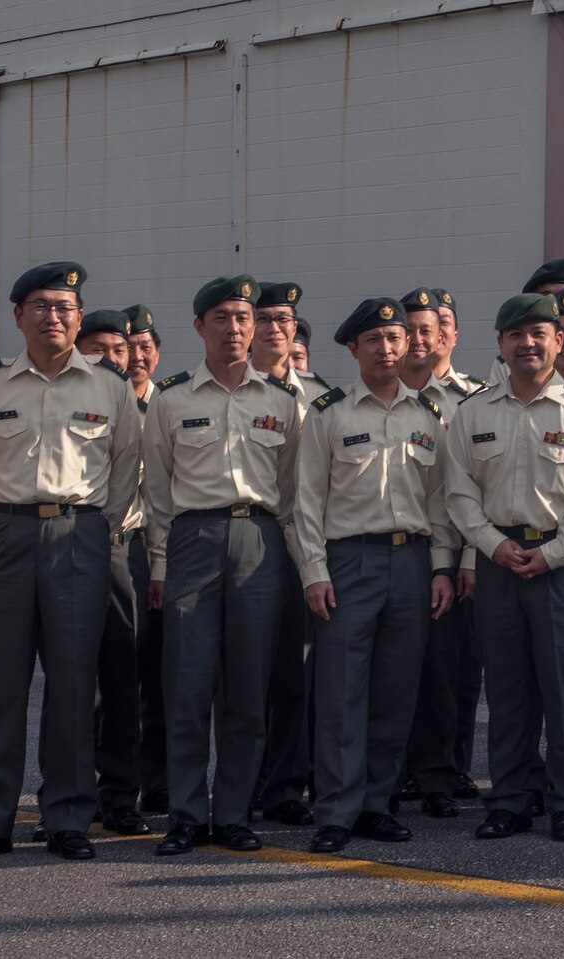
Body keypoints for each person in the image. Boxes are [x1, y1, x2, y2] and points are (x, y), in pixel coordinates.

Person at [0, 262, 142, 864]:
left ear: (79, 317)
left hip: (81, 534)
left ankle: (67, 816)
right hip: (7, 535)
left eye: (64, 307)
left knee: (72, 683)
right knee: (1, 683)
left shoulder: (109, 387)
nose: (52, 316)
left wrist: (96, 528)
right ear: (18, 316)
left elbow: (128, 467)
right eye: (40, 306)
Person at [446, 292, 564, 842]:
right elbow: (459, 493)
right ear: (500, 343)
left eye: (538, 333)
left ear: (560, 340)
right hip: (499, 563)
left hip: (561, 565)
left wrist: (553, 553)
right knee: (508, 689)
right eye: (515, 334)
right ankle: (511, 799)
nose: (527, 343)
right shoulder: (474, 411)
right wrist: (492, 545)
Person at [143, 275, 303, 856]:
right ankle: (186, 815)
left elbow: (292, 492)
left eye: (244, 318)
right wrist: (159, 564)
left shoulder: (283, 401)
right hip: (193, 538)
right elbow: (158, 489)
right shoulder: (172, 398)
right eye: (222, 318)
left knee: (247, 687)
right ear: (199, 328)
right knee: (186, 684)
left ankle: (233, 812)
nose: (236, 328)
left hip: (259, 541)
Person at [293, 297, 459, 853]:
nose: (389, 349)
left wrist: (440, 567)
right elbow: (306, 502)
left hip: (411, 563)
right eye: (376, 341)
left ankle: (376, 804)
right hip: (348, 561)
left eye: (396, 339)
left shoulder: (429, 416)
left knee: (395, 690)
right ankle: (336, 810)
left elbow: (438, 504)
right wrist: (314, 572)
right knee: (341, 690)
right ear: (353, 348)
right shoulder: (329, 414)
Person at [398, 286, 487, 817]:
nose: (415, 340)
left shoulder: (472, 399)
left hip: (457, 553)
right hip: (401, 548)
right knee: (398, 666)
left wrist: (471, 559)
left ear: (443, 336)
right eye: (406, 331)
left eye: (425, 330)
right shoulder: (372, 395)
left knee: (452, 669)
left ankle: (444, 770)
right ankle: (402, 770)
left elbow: (481, 486)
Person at [73, 308, 153, 838]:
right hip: (72, 548)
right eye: (97, 349)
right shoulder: (67, 399)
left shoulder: (160, 405)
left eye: (119, 350)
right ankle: (69, 796)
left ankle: (122, 796)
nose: (111, 358)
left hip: (128, 547)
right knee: (70, 679)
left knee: (125, 680)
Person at [251, 280, 320, 826]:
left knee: (292, 677)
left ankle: (283, 787)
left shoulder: (320, 397)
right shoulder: (232, 390)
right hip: (253, 542)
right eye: (266, 319)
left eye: (285, 320)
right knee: (242, 674)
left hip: (306, 549)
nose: (276, 328)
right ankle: (239, 782)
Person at [122, 303, 169, 816]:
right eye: (127, 347)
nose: (136, 357)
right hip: (117, 547)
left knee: (159, 674)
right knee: (108, 674)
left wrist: (161, 566)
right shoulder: (107, 403)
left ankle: (157, 780)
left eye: (144, 347)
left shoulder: (171, 403)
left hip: (158, 553)